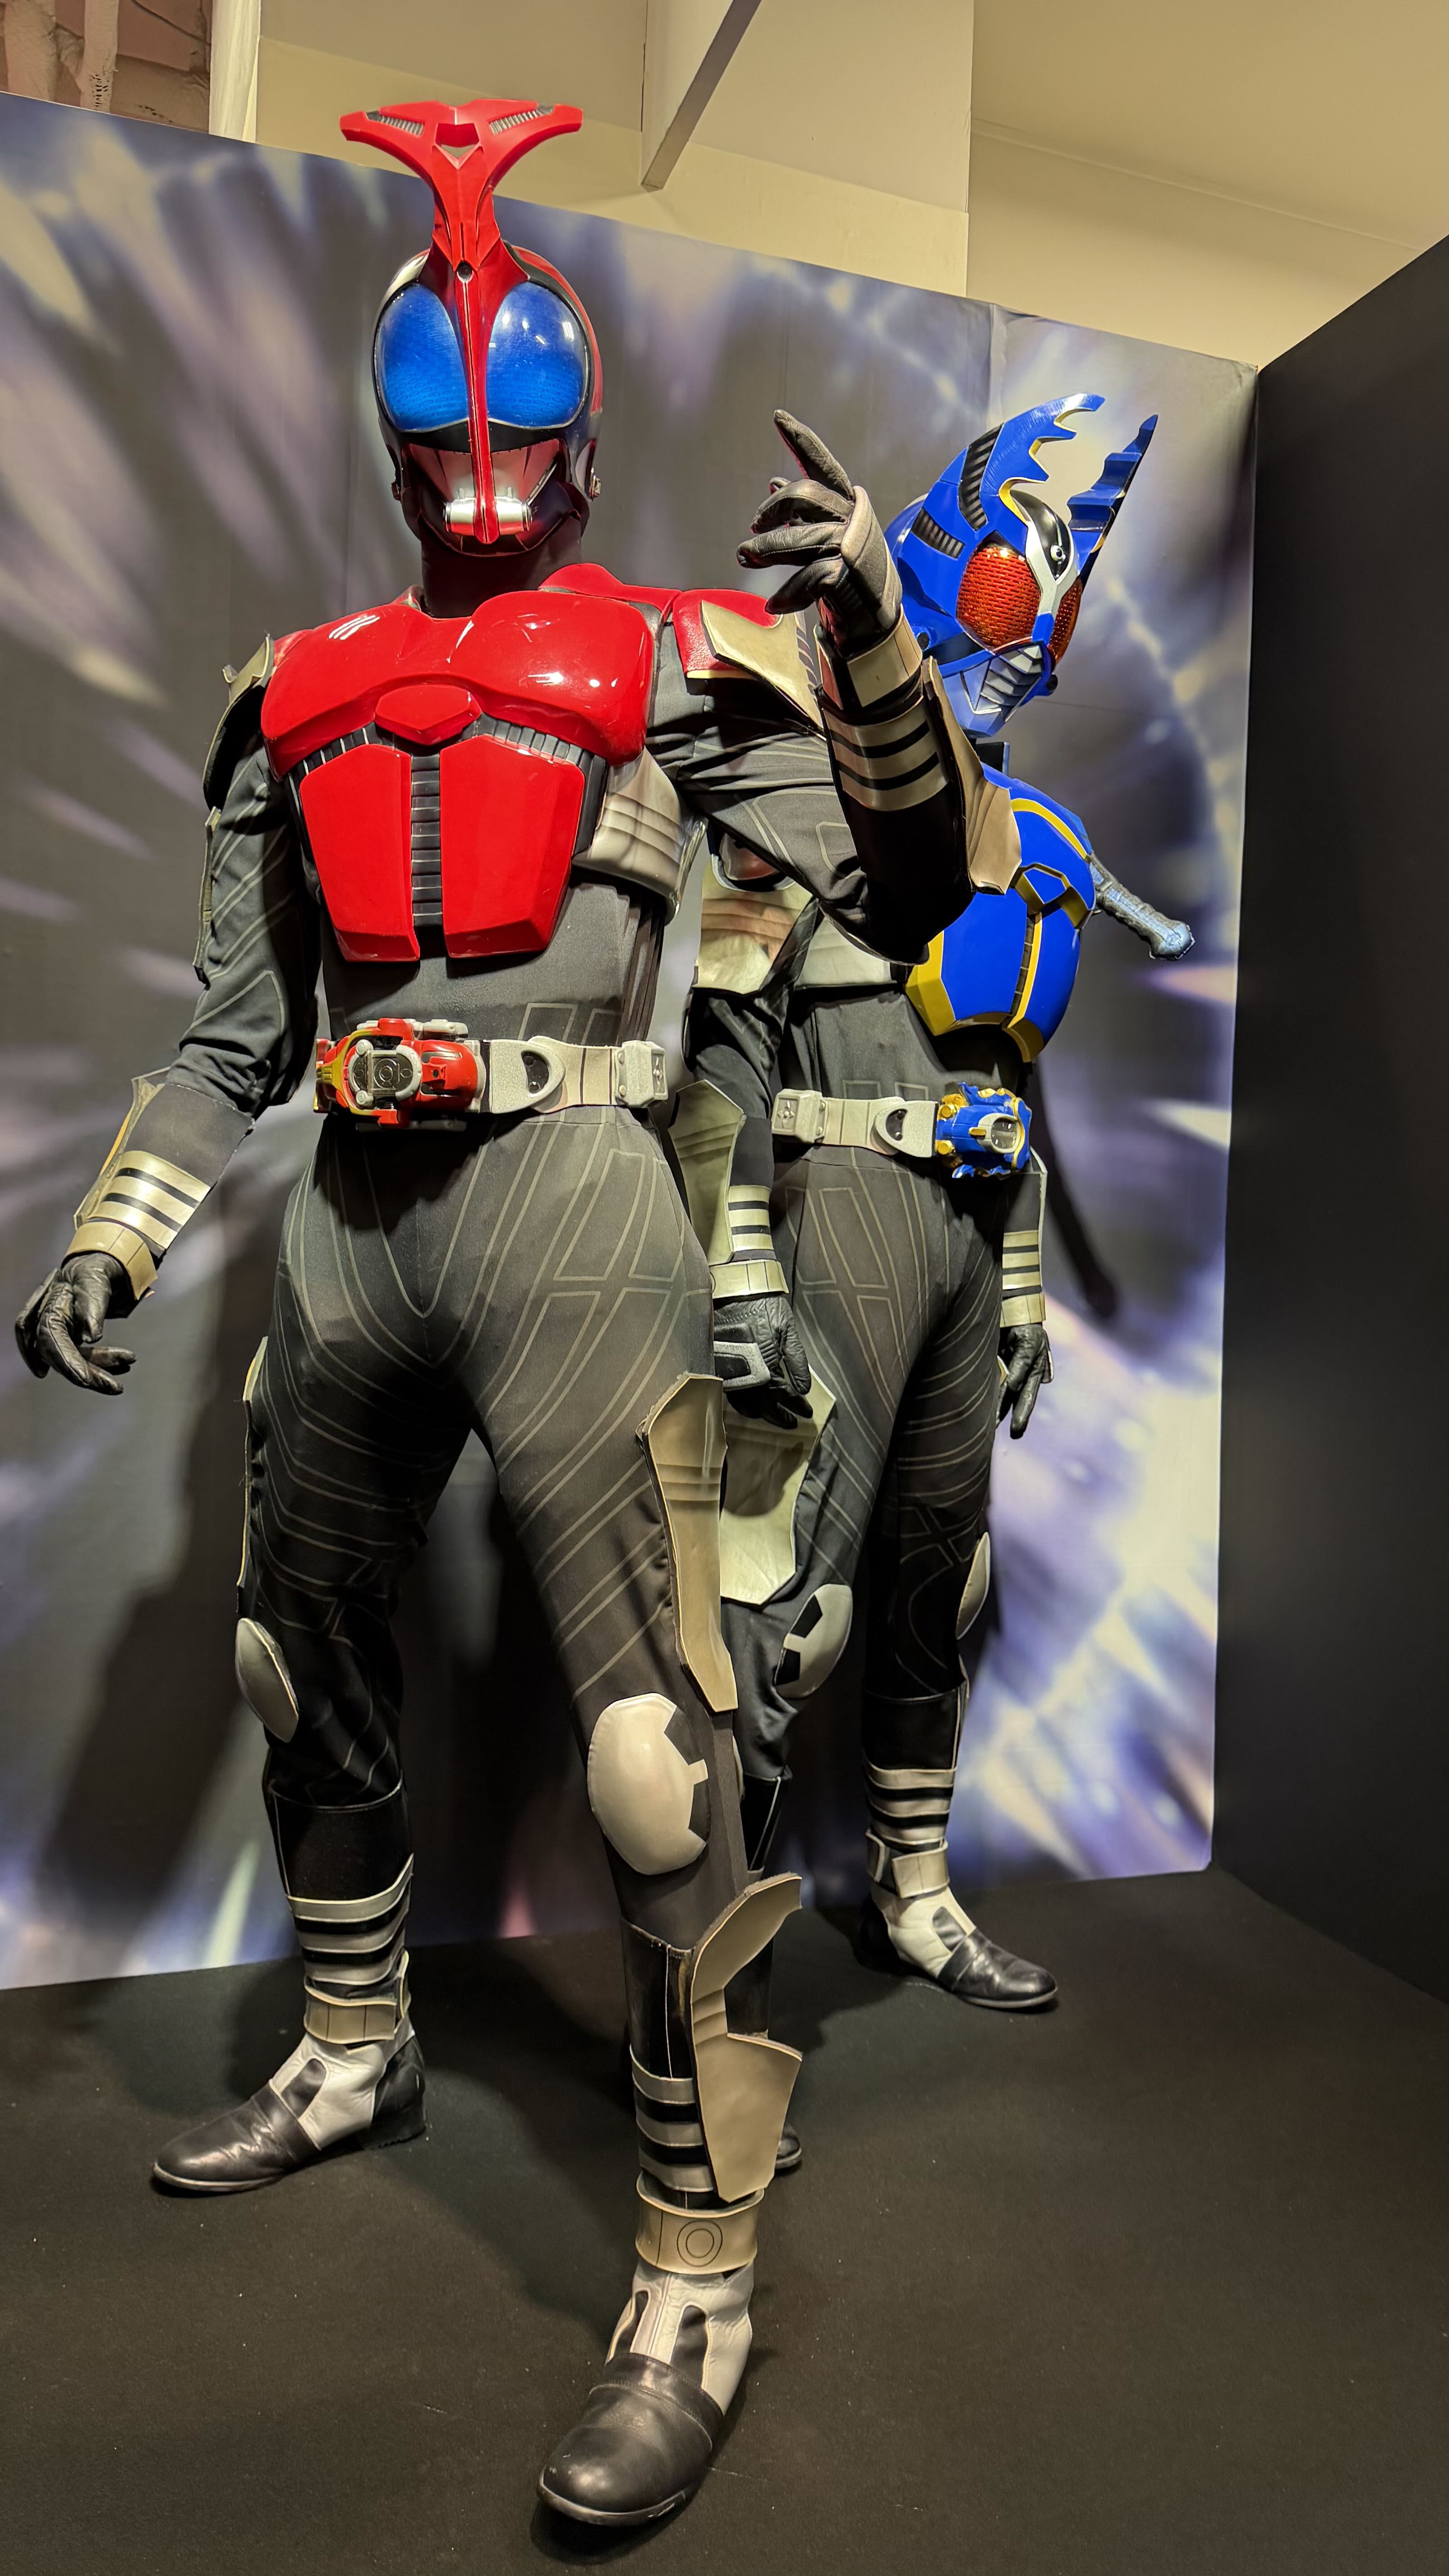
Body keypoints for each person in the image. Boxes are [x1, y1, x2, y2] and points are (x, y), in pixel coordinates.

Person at [14, 94, 1005, 2530]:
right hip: (350, 1222)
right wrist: (125, 1223)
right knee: (296, 1650)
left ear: (575, 437)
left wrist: (880, 639)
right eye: (447, 434)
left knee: (661, 1756)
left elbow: (922, 879)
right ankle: (357, 2044)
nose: (485, 477)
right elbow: (234, 1029)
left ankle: (697, 2272)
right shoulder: (295, 688)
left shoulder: (680, 658)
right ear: (389, 442)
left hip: (575, 1205)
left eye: (520, 433)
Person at [680, 394, 1191, 2014]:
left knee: (936, 1578)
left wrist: (1023, 1282)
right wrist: (741, 1266)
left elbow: (1009, 1093)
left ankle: (913, 1892)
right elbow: (720, 1054)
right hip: (837, 1212)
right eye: (1004, 585)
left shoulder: (1027, 843)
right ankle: (711, 1959)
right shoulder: (800, 797)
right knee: (778, 1601)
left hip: (967, 1237)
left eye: (1048, 605)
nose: (1018, 642)